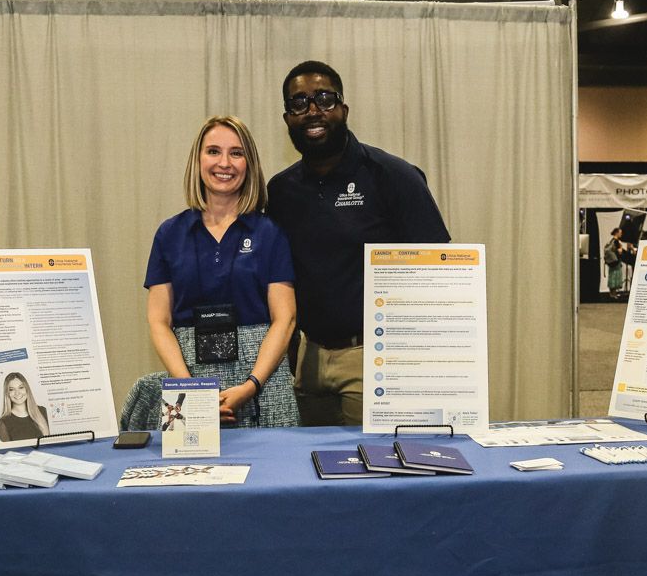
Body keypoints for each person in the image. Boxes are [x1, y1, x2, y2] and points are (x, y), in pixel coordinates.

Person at [266, 60, 450, 426]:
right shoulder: (281, 191)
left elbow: (438, 271)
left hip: (375, 356)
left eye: (324, 98)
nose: (313, 110)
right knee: (310, 460)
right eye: (299, 103)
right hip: (309, 361)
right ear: (287, 118)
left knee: (371, 461)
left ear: (344, 108)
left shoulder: (393, 176)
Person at [143, 116, 299, 426]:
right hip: (188, 380)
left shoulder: (270, 233)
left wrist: (251, 385)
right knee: (189, 460)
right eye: (213, 151)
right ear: (198, 159)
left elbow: (286, 319)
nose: (224, 163)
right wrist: (191, 389)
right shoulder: (169, 234)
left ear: (248, 163)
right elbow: (158, 321)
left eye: (236, 153)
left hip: (262, 382)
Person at [0, 372, 49, 441]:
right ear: (7, 393)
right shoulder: (3, 422)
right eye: (11, 389)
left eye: (21, 387)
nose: (17, 393)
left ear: (27, 389)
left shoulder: (42, 411)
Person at [604, 227, 626, 299]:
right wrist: (621, 247)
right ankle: (613, 294)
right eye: (620, 233)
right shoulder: (616, 241)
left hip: (611, 261)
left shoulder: (611, 240)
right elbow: (619, 251)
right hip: (616, 261)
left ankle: (612, 293)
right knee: (615, 277)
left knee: (612, 276)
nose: (621, 234)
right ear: (616, 233)